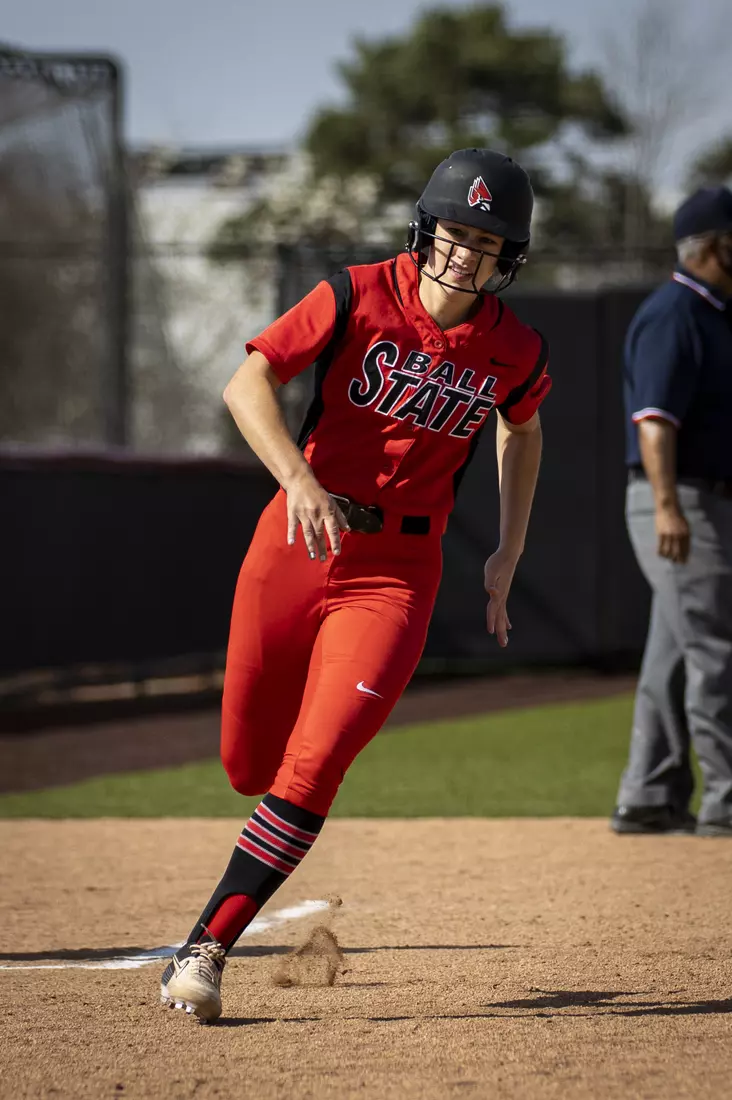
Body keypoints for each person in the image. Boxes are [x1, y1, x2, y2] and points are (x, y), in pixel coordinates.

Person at [161, 148, 551, 1020]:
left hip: (399, 571)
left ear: (510, 256)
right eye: (454, 230)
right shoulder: (354, 292)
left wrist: (508, 553)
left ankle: (203, 952)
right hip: (296, 539)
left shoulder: (515, 347)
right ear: (425, 229)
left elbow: (521, 431)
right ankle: (242, 854)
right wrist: (296, 479)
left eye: (488, 240)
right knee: (246, 765)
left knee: (316, 762)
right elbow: (246, 380)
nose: (466, 253)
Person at [611, 186, 732, 837]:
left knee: (678, 652)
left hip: (698, 499)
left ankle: (649, 794)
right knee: (717, 651)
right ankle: (727, 799)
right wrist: (667, 508)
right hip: (678, 496)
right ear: (713, 247)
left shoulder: (715, 311)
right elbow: (654, 423)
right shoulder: (675, 313)